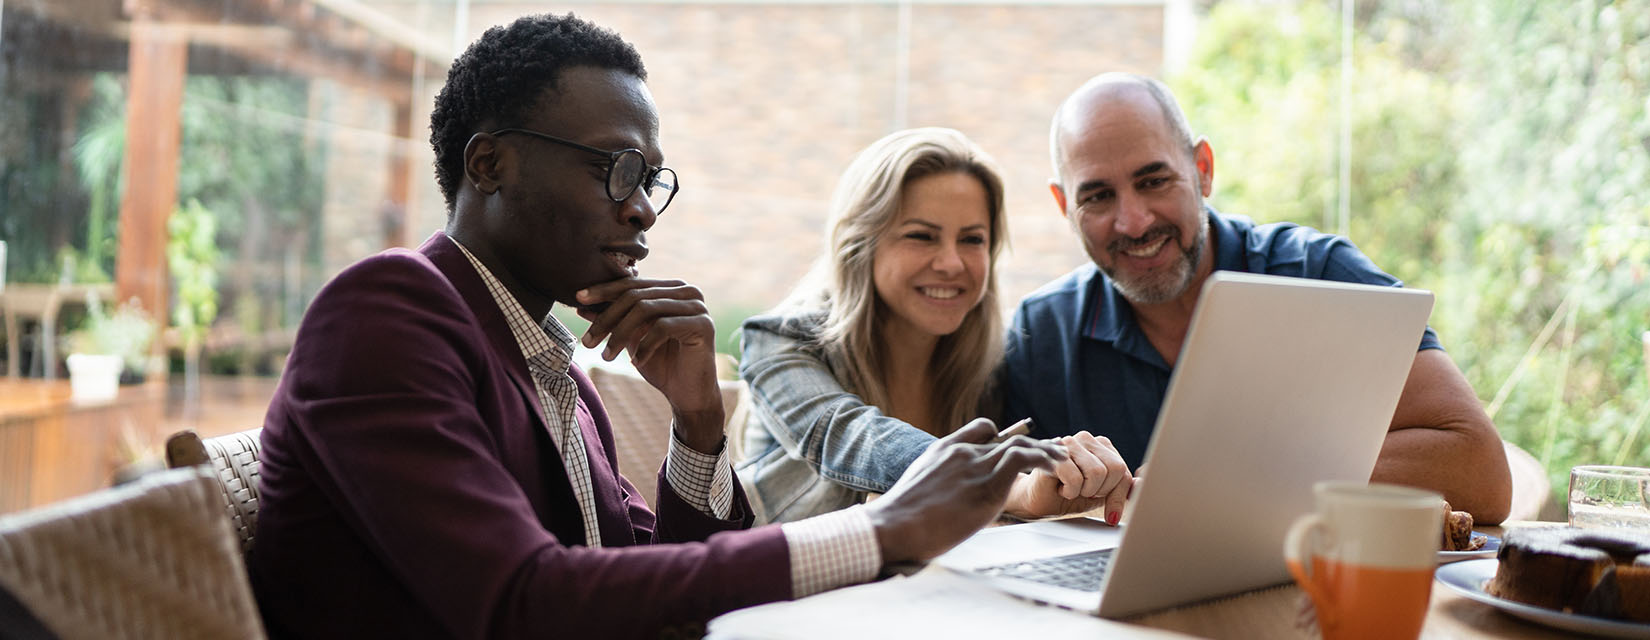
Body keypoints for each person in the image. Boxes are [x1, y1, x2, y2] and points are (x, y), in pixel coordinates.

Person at [249, 14, 1066, 639]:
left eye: (651, 179)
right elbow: (520, 599)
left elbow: (655, 582)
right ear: (489, 163)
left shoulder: (554, 369)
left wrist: (700, 424)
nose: (642, 208)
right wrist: (881, 528)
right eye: (617, 169)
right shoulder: (387, 310)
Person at [1001, 72, 1513, 523]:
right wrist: (1026, 493)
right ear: (1064, 205)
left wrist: (1236, 479)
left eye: (1153, 180)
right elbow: (978, 486)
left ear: (1203, 169)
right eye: (1097, 196)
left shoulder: (1320, 274)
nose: (1133, 221)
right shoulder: (1040, 334)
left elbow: (1480, 470)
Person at [739, 128, 1132, 524]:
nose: (951, 263)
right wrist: (1007, 486)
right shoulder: (779, 341)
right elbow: (851, 438)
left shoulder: (995, 362)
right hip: (780, 581)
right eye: (922, 236)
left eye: (972, 239)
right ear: (861, 245)